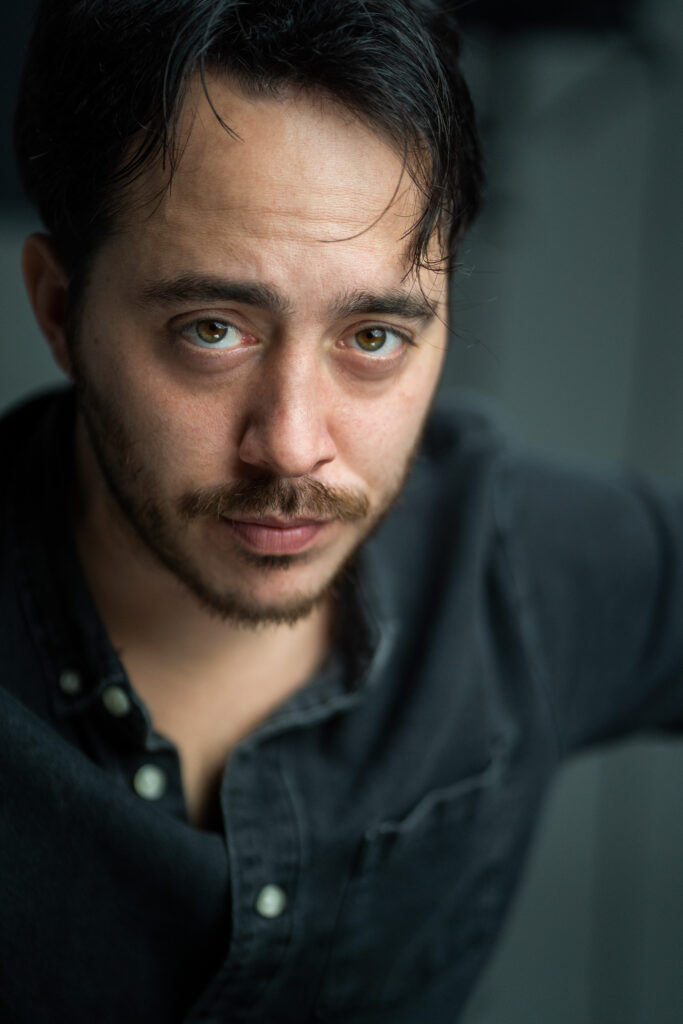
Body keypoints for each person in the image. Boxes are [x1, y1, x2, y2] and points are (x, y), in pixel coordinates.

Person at [1, 0, 681, 1021]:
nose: (291, 444)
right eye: (212, 329)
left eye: (372, 338)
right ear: (61, 308)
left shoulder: (515, 560)